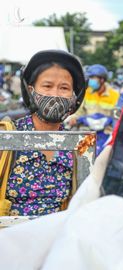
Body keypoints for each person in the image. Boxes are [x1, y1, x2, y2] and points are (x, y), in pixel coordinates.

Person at [1, 50, 87, 216]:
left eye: (64, 88)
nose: (55, 94)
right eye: (47, 86)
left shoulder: (78, 145)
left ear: (74, 96)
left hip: (57, 237)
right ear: (31, 90)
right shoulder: (7, 137)